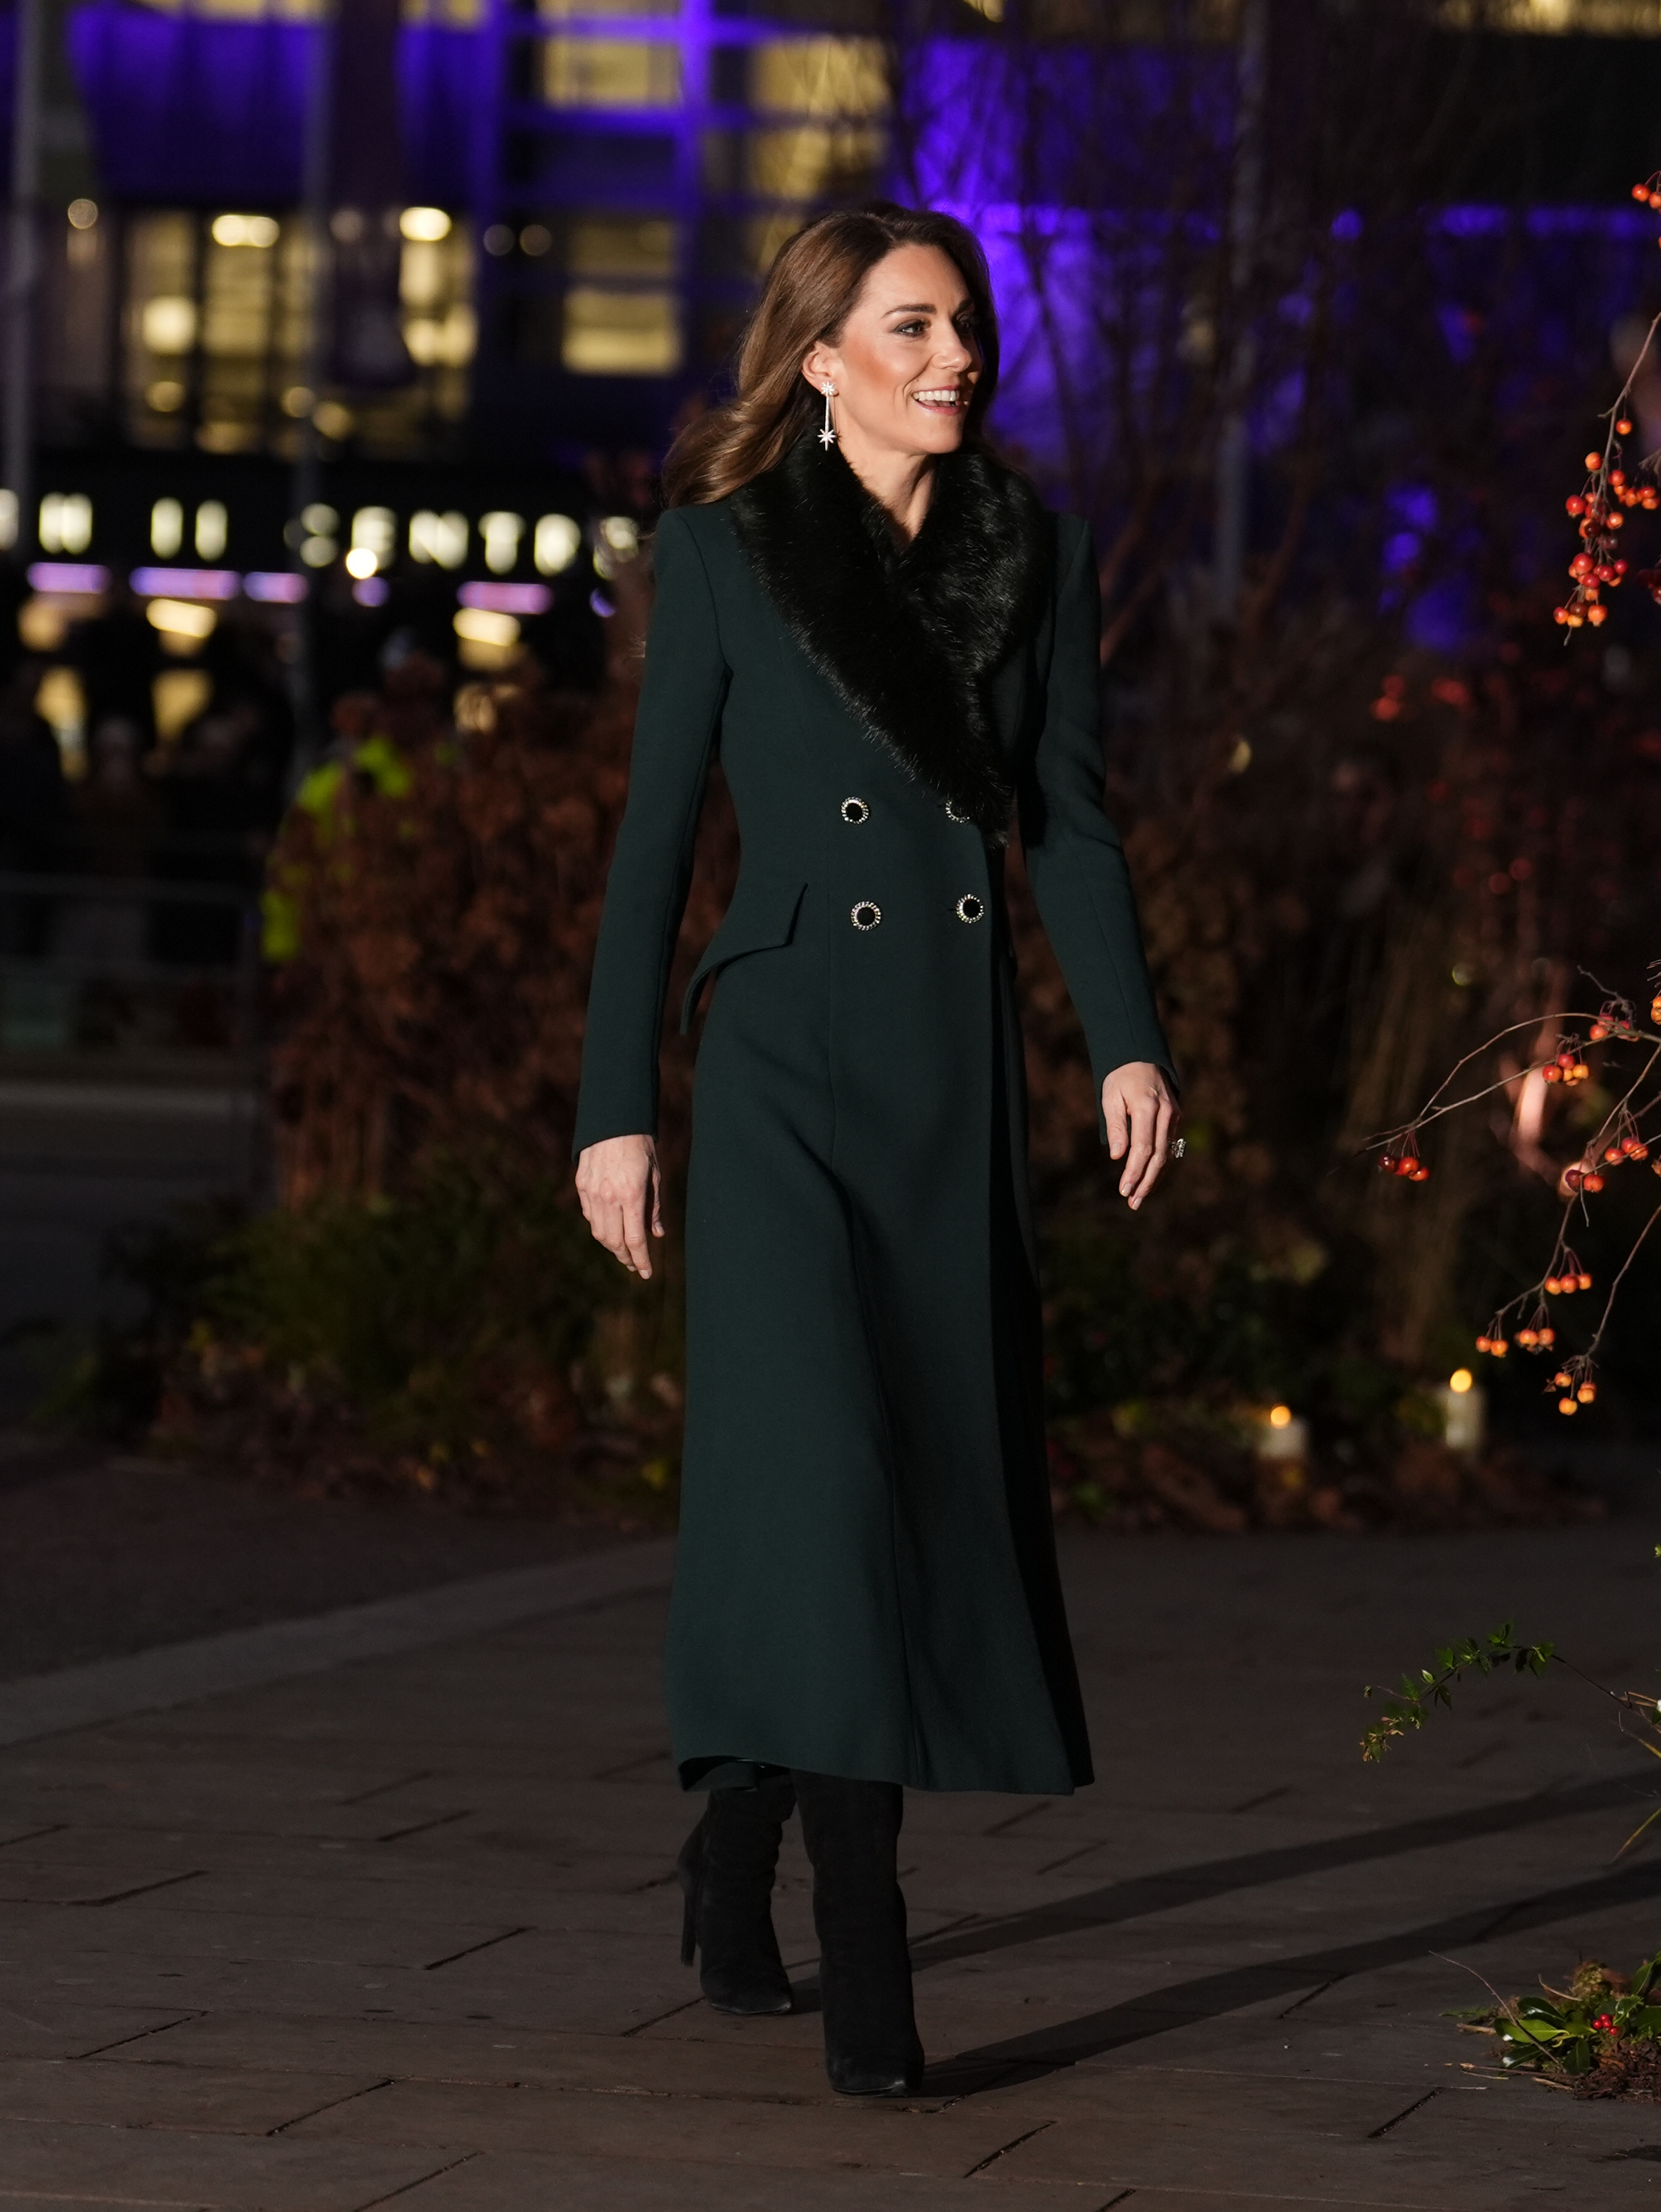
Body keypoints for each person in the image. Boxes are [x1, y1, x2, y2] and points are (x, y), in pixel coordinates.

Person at [573, 202, 1179, 2098]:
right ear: (819, 358)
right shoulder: (724, 551)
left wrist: (1126, 1040)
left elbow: (1065, 820)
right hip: (773, 1071)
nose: (952, 355)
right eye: (908, 326)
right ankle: (866, 1946)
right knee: (818, 1484)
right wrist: (612, 1110)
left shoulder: (1030, 553)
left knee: (900, 1487)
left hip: (945, 1074)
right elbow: (653, 846)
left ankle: (732, 1839)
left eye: (962, 324)